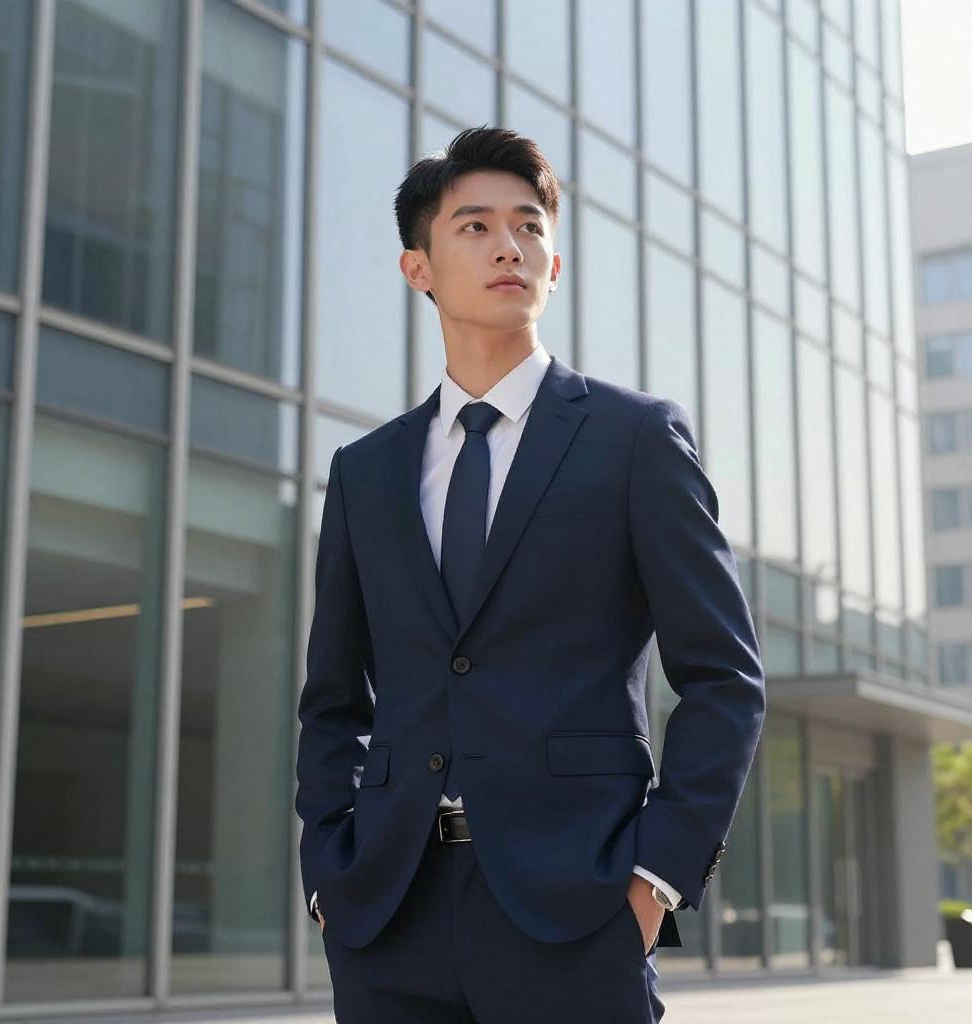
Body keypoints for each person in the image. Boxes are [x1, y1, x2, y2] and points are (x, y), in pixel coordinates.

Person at [295, 125, 765, 1022]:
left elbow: (723, 679)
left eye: (529, 226)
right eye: (474, 226)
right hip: (389, 916)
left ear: (552, 267)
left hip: (575, 911)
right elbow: (333, 700)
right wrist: (329, 871)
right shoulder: (366, 471)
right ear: (418, 268)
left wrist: (654, 880)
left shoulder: (635, 441)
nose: (509, 244)